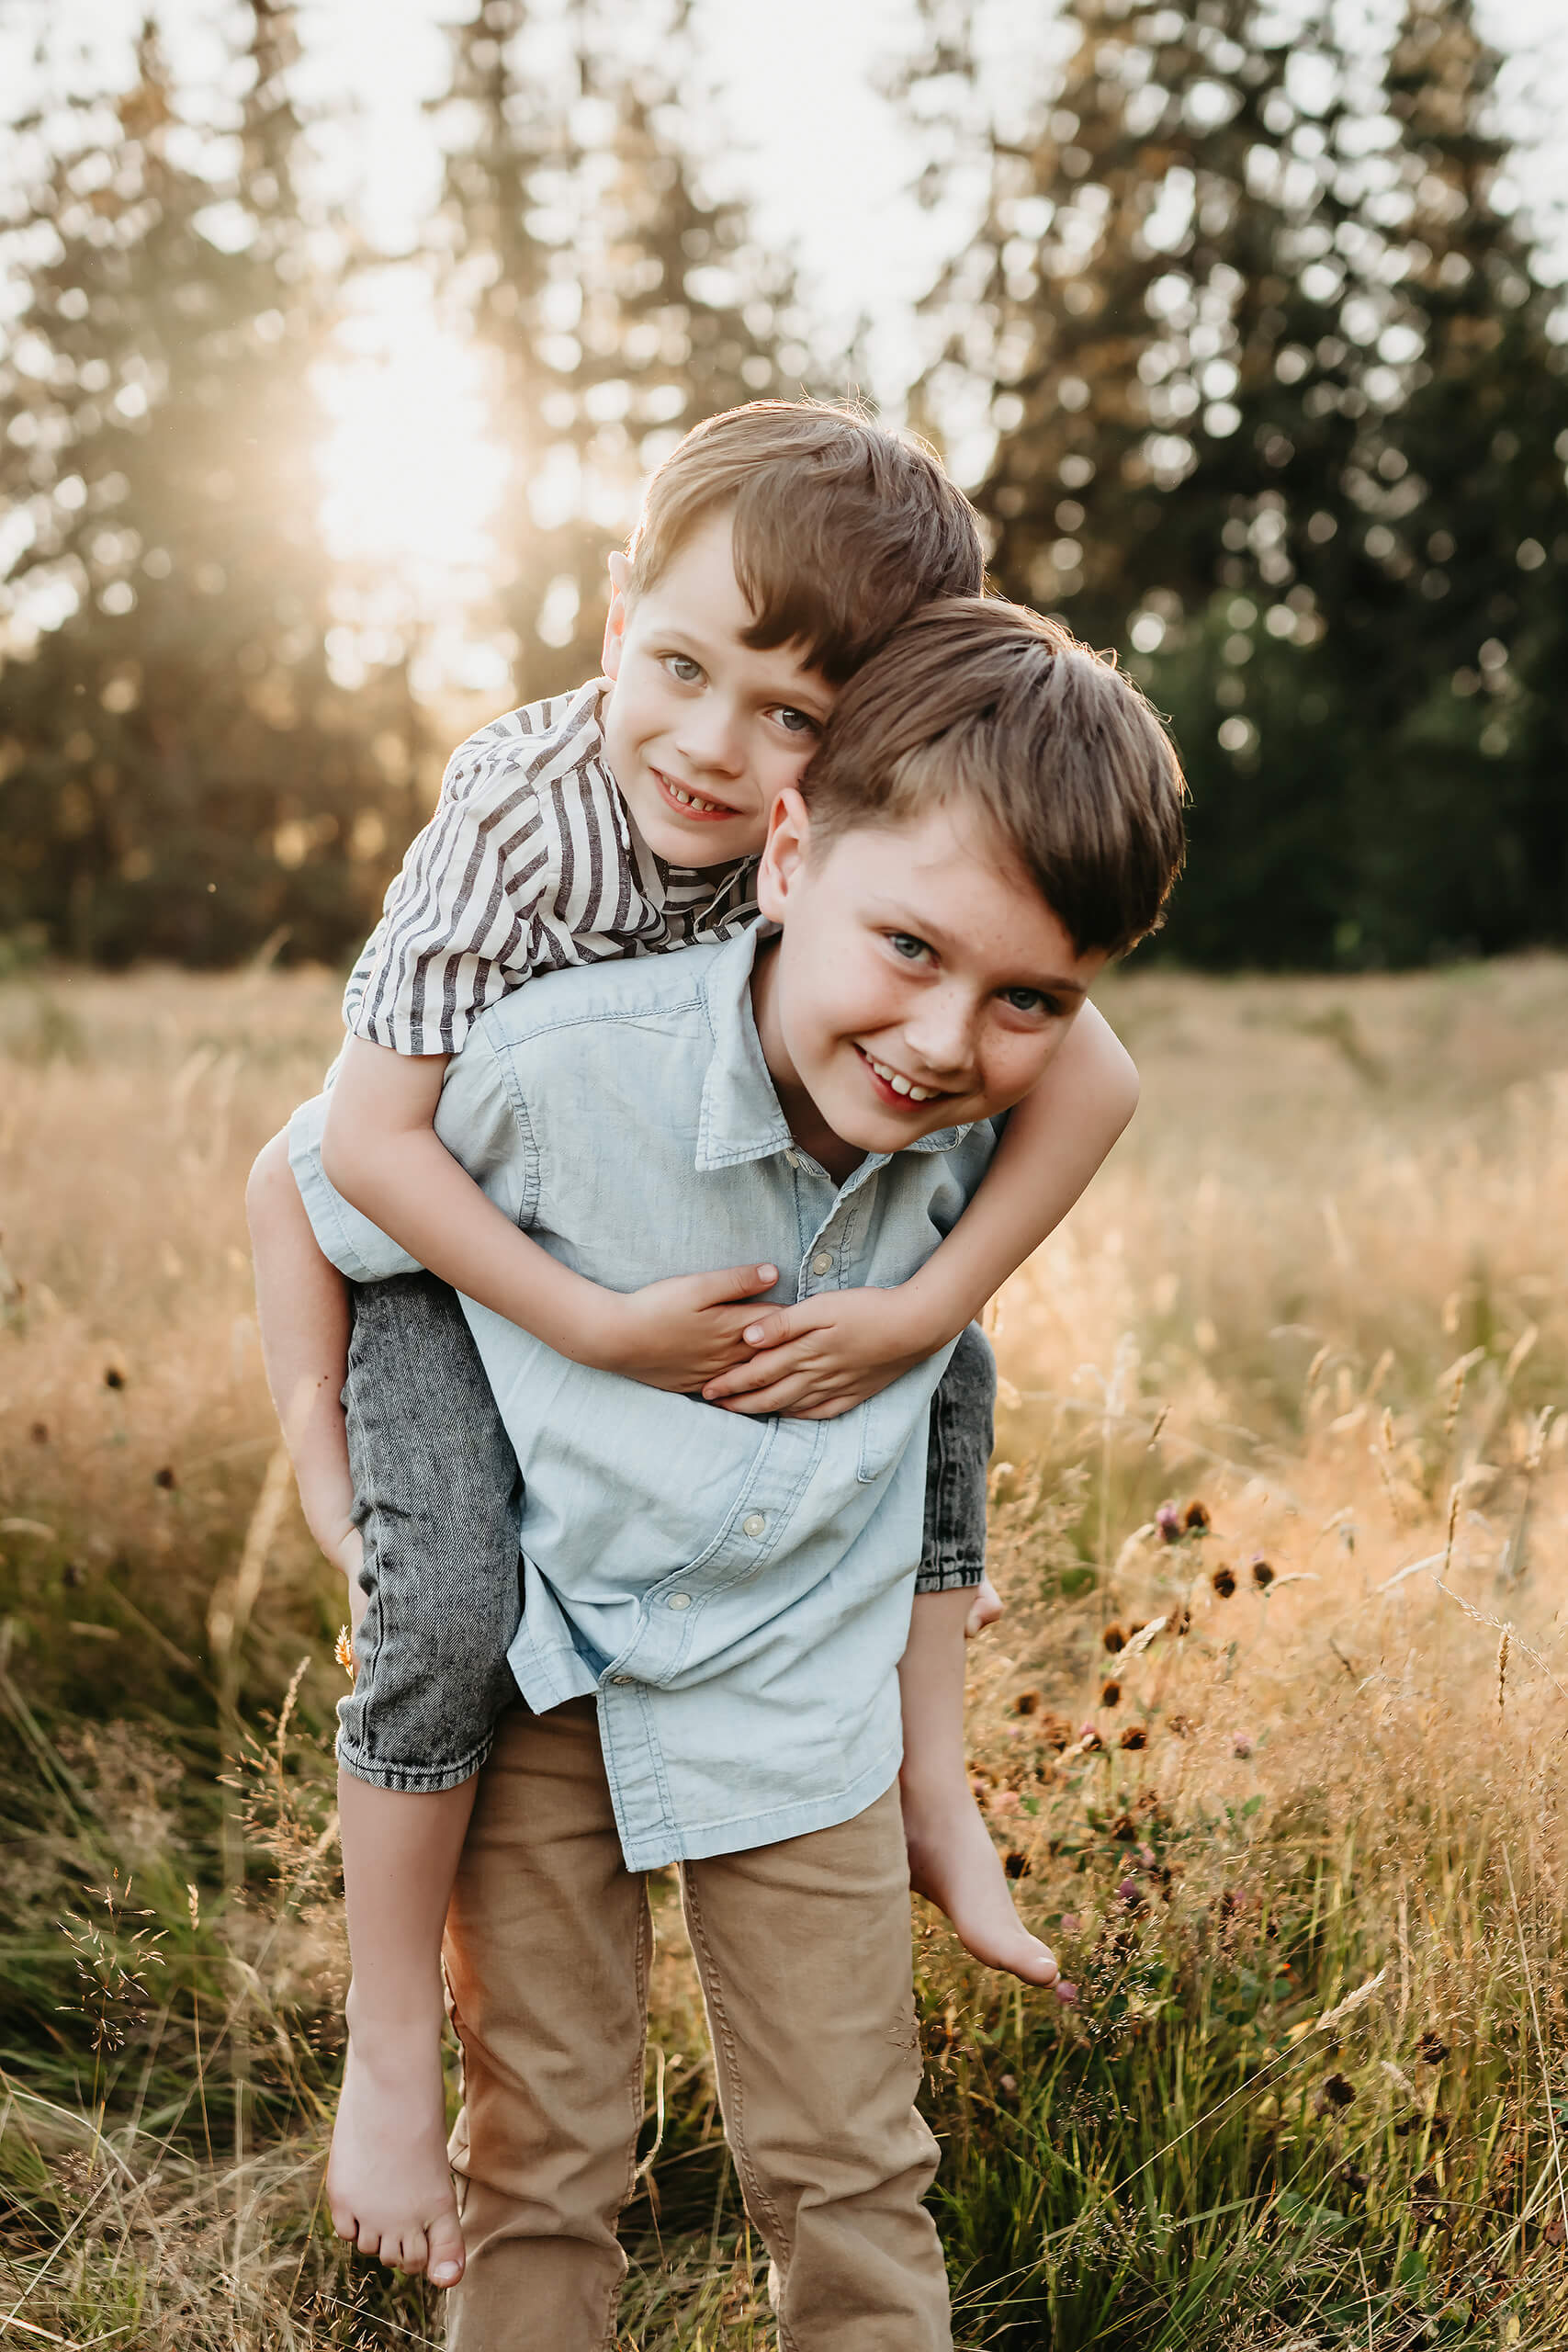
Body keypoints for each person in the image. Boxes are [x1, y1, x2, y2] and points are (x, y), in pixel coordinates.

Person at [245, 405, 1147, 2294]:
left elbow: (1091, 1077)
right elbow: (336, 1154)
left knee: (942, 1353)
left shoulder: (915, 917)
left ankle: (931, 1783)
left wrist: (915, 1307)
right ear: (608, 624)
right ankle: (386, 2045)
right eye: (678, 670)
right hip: (446, 1235)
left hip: (766, 1550)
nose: (718, 751)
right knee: (441, 1604)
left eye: (791, 713)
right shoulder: (526, 821)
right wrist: (384, 1405)